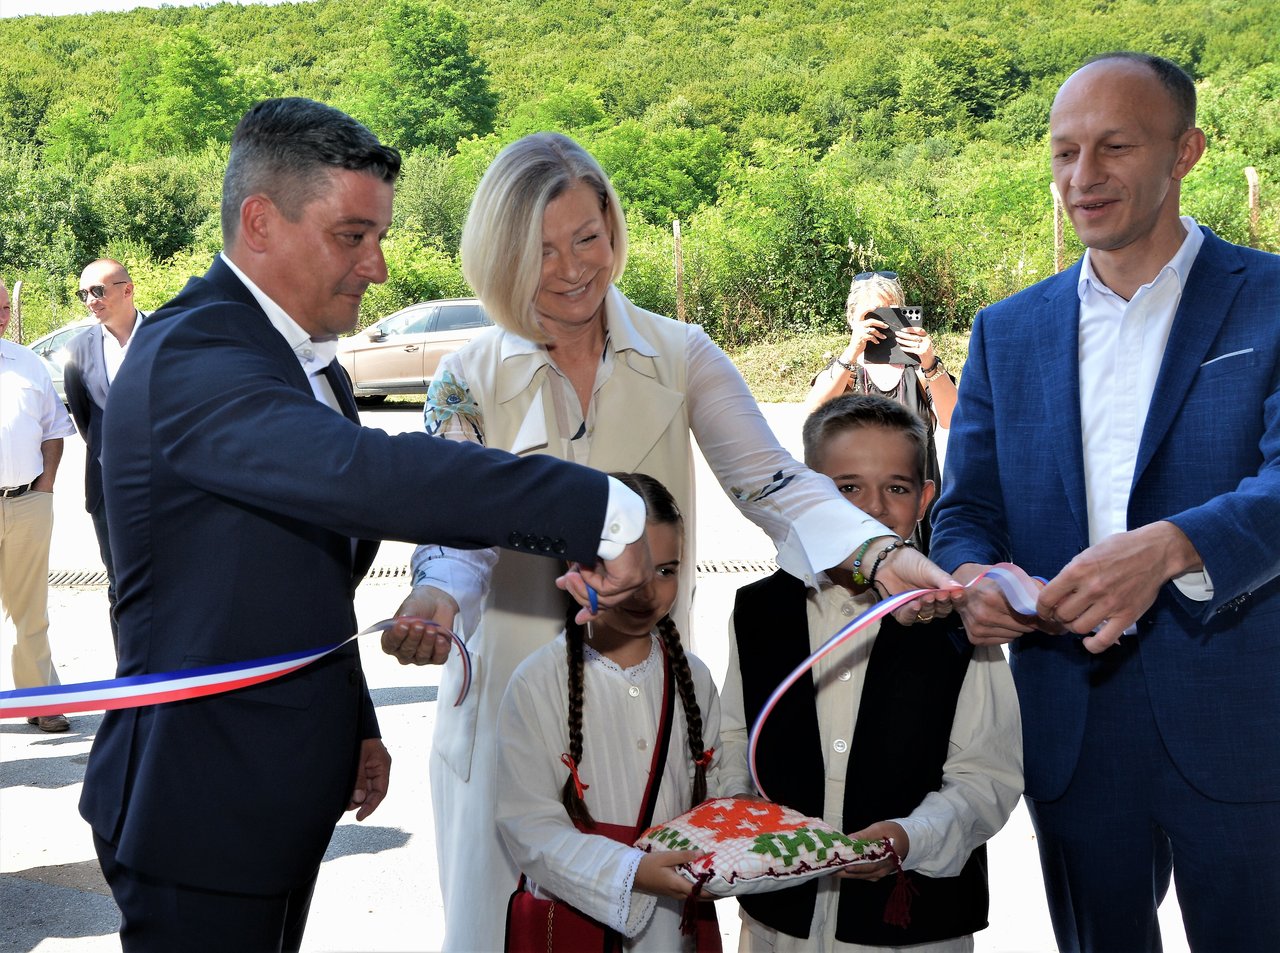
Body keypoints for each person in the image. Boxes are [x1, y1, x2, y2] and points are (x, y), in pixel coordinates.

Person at [77, 98, 657, 953]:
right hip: (197, 804)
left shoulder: (296, 359)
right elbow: (364, 478)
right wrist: (596, 507)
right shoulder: (193, 357)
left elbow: (296, 570)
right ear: (261, 221)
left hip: (274, 789)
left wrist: (352, 721)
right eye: (353, 236)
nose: (377, 268)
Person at [379, 132, 961, 951]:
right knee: (511, 929)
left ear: (615, 229)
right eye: (541, 249)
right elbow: (456, 536)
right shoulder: (464, 377)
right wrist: (434, 598)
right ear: (498, 254)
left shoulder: (684, 354)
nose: (574, 267)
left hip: (655, 710)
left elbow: (772, 481)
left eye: (589, 236)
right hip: (510, 712)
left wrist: (880, 554)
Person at [930, 52, 1280, 952]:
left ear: (1185, 151)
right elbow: (968, 510)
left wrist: (1167, 547)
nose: (1082, 179)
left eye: (1114, 147)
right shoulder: (1006, 330)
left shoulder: (1271, 300)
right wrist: (971, 578)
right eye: (1063, 153)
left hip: (1242, 717)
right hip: (1073, 721)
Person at [719, 394, 1022, 952]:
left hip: (911, 928)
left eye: (897, 488)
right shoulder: (758, 610)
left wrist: (912, 838)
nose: (873, 509)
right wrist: (745, 814)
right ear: (806, 494)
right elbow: (734, 737)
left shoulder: (957, 623)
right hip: (778, 925)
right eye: (846, 487)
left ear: (925, 497)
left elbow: (987, 776)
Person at [496, 472, 719, 951]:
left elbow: (718, 793)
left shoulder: (694, 678)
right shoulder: (538, 682)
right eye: (630, 568)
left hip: (678, 922)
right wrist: (630, 871)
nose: (646, 590)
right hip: (572, 918)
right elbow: (527, 825)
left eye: (666, 569)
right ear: (578, 567)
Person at [803, 271, 956, 546]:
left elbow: (954, 419)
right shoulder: (846, 372)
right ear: (852, 320)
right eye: (870, 317)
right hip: (857, 513)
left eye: (888, 315)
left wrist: (929, 362)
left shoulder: (921, 368)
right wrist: (852, 352)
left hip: (917, 514)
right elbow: (813, 412)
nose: (880, 326)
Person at [0, 277, 77, 733]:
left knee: (31, 610)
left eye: (6, 306)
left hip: (28, 501)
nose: (2, 315)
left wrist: (44, 488)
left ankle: (40, 700)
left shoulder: (26, 362)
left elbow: (54, 428)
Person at [64, 258, 147, 654]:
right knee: (120, 585)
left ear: (127, 289)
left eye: (97, 290)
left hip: (168, 486)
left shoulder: (167, 338)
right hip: (107, 490)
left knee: (175, 583)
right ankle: (131, 681)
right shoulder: (77, 349)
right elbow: (86, 419)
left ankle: (176, 682)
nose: (90, 301)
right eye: (84, 293)